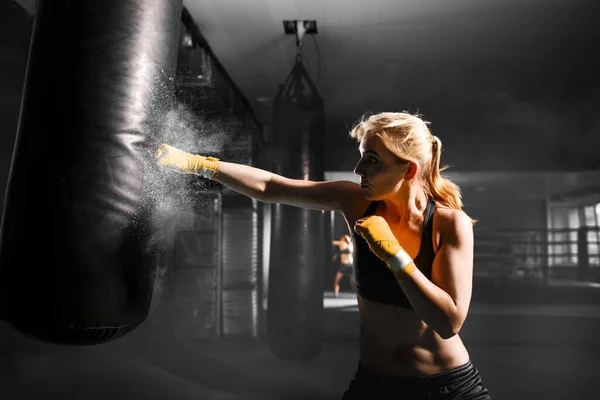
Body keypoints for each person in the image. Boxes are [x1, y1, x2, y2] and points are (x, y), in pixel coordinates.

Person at [155, 111, 491, 399]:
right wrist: (197, 163)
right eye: (361, 155)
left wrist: (394, 255)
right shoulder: (355, 201)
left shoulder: (449, 225)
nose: (359, 169)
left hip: (447, 388)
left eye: (372, 160)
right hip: (374, 385)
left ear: (408, 171)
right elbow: (272, 186)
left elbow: (449, 322)